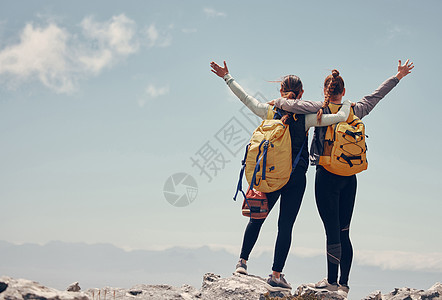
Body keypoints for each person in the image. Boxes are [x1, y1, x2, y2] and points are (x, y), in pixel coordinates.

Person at [272, 60, 414, 296]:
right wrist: (397, 76)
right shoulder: (355, 109)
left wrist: (276, 101)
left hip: (326, 175)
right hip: (350, 177)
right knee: (345, 231)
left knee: (332, 232)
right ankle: (344, 284)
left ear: (325, 91)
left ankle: (331, 282)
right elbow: (378, 95)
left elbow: (288, 104)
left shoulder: (318, 109)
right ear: (344, 91)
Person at [210, 60, 352, 292]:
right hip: (295, 179)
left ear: (280, 91)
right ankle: (276, 274)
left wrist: (227, 77)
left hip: (271, 176)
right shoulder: (307, 118)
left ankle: (242, 263)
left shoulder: (269, 111)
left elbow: (246, 99)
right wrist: (344, 106)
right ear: (302, 93)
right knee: (285, 226)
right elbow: (337, 118)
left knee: (257, 219)